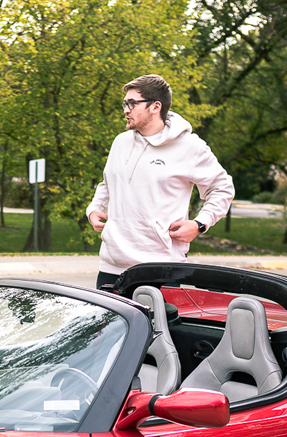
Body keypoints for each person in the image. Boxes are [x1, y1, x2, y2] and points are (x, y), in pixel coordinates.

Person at [86, 74, 234, 289]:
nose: (126, 109)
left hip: (162, 268)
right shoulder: (120, 142)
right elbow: (108, 183)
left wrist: (200, 224)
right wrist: (94, 208)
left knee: (156, 325)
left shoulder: (190, 146)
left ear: (155, 107)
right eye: (124, 103)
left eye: (132, 103)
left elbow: (222, 188)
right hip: (111, 267)